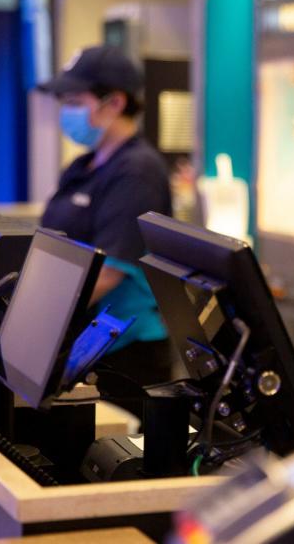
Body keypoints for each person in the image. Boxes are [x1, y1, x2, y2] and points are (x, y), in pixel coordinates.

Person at [38, 45, 175, 390]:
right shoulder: (82, 168)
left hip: (123, 350)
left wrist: (36, 314)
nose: (66, 112)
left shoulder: (137, 172)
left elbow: (108, 272)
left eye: (75, 102)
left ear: (114, 103)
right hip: (82, 341)